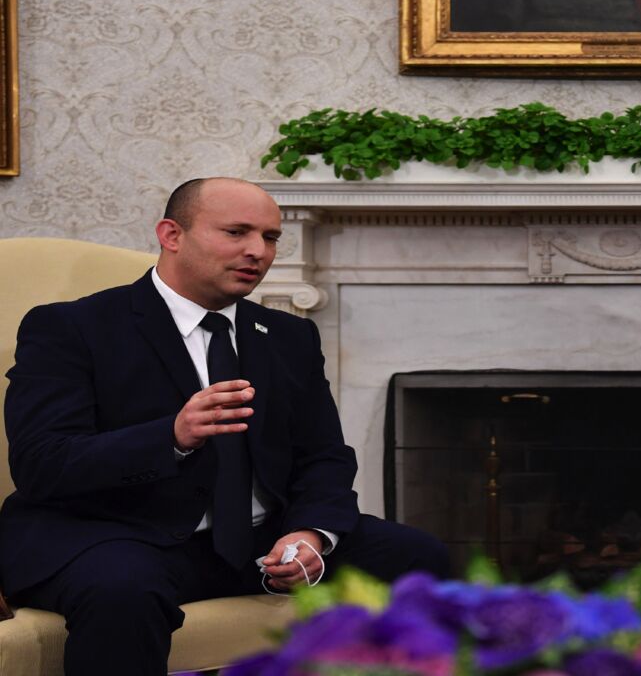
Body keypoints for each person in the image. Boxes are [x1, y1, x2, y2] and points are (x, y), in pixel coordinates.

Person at [0, 177, 450, 675]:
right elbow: (41, 463)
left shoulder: (288, 335)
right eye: (236, 232)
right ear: (172, 235)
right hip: (120, 533)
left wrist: (310, 534)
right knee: (123, 590)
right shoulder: (71, 328)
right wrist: (170, 437)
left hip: (258, 541)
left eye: (271, 237)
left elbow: (323, 455)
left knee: (416, 555)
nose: (257, 251)